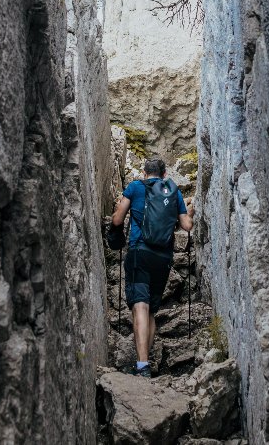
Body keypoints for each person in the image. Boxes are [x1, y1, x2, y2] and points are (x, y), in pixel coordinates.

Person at [110, 158, 193, 377]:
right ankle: (144, 363)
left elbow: (118, 219)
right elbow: (186, 225)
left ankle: (142, 365)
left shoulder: (135, 187)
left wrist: (115, 227)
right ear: (164, 174)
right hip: (163, 258)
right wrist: (191, 210)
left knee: (140, 306)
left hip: (139, 253)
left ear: (144, 172)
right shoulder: (173, 192)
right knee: (152, 311)